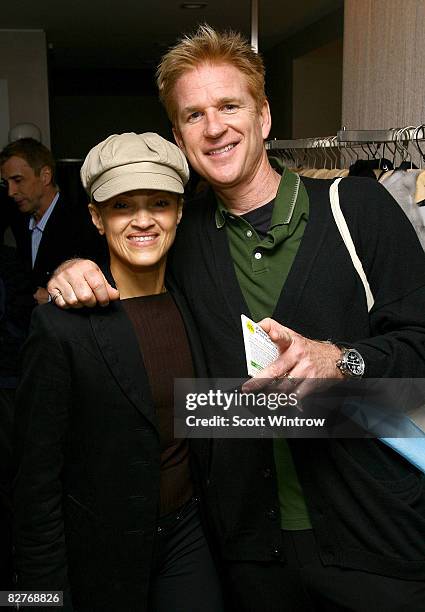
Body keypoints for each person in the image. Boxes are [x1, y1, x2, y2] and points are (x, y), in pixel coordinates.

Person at [47, 26, 425, 612]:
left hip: (375, 539)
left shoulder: (357, 209)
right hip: (247, 552)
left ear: (265, 116)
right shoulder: (184, 234)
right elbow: (127, 268)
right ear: (179, 137)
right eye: (193, 115)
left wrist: (343, 361)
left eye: (229, 106)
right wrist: (71, 269)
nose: (214, 127)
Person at [14, 132, 224, 612]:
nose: (143, 220)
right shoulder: (60, 326)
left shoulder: (197, 304)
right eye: (123, 206)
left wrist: (368, 407)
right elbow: (35, 483)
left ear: (179, 213)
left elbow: (216, 414)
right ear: (96, 217)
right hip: (99, 556)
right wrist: (38, 598)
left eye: (159, 204)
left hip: (189, 537)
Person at [0, 138, 105, 304]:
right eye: (7, 183)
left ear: (45, 176)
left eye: (18, 180)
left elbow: (100, 288)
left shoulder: (84, 224)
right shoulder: (16, 224)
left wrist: (51, 298)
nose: (11, 192)